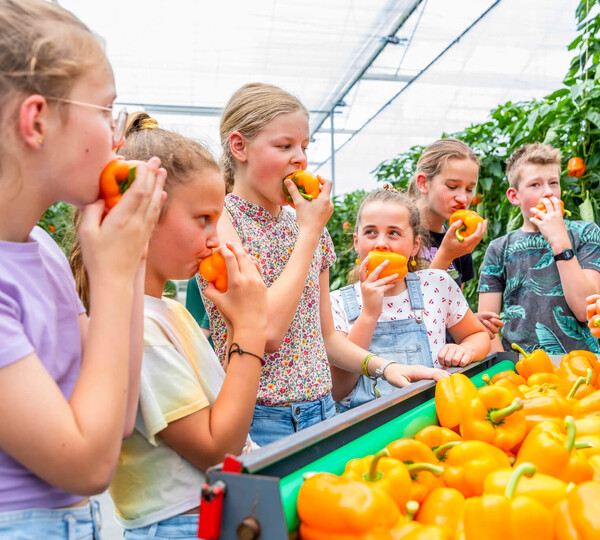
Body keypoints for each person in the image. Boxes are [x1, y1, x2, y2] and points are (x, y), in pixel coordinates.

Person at [199, 82, 447, 446]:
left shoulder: (304, 224)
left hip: (322, 410)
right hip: (259, 419)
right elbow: (266, 333)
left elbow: (326, 337)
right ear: (240, 147)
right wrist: (309, 233)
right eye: (284, 146)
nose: (300, 158)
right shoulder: (219, 223)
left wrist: (385, 366)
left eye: (304, 146)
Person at [0, 1, 165, 537]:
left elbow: (114, 420)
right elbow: (89, 466)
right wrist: (112, 279)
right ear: (38, 119)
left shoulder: (44, 250)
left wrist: (132, 261)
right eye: (104, 110)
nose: (118, 137)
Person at [70, 113, 268, 538]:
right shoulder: (136, 325)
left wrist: (238, 322)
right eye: (203, 219)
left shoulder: (169, 311)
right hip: (179, 524)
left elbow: (221, 407)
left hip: (201, 514)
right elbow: (217, 447)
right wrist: (251, 329)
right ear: (145, 211)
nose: (217, 238)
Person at [330, 187, 490, 411]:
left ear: (415, 245)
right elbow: (339, 389)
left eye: (394, 233)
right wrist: (368, 314)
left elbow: (477, 334)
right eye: (370, 232)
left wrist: (467, 349)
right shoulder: (336, 303)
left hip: (432, 413)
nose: (381, 243)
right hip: (363, 428)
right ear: (356, 242)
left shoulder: (436, 284)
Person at [478, 142, 600, 354]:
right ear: (514, 196)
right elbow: (487, 326)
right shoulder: (499, 248)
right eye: (535, 185)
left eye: (553, 183)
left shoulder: (587, 233)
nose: (548, 193)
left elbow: (585, 311)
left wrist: (560, 241)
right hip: (522, 367)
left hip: (583, 363)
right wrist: (505, 368)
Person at [406, 138, 502, 339]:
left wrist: (471, 321)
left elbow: (446, 309)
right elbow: (404, 312)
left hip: (447, 357)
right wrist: (445, 255)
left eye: (469, 189)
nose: (463, 198)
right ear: (423, 183)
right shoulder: (399, 234)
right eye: (452, 186)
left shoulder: (458, 239)